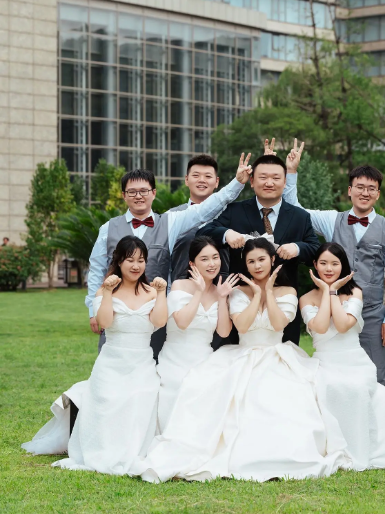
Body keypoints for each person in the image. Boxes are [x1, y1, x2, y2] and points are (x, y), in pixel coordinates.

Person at [135, 238, 349, 482]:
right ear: (245, 265)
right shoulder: (237, 291)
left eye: (262, 259)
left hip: (277, 354)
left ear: (272, 260)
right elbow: (243, 326)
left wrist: (268, 292)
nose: (257, 266)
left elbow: (278, 323)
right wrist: (256, 295)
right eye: (251, 261)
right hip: (244, 353)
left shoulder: (288, 291)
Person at [22, 236, 168, 475]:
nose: (136, 266)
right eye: (130, 260)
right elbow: (105, 323)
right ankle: (105, 450)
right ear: (119, 261)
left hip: (142, 363)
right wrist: (108, 292)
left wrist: (161, 293)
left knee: (141, 398)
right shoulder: (105, 290)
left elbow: (160, 322)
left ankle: (132, 450)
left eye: (141, 260)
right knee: (108, 400)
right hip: (112, 362)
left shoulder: (152, 292)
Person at [87, 153, 252, 357]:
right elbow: (96, 269)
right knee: (113, 359)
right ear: (124, 195)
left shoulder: (170, 222)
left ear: (153, 193)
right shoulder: (108, 228)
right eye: (132, 192)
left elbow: (205, 210)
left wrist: (237, 183)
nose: (139, 196)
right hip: (116, 310)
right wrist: (93, 309)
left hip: (156, 310)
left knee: (154, 363)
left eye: (144, 191)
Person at [284, 142, 385, 387]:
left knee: (375, 377)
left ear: (378, 194)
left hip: (371, 314)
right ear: (350, 190)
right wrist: (291, 172)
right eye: (360, 187)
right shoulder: (332, 220)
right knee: (336, 378)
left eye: (371, 188)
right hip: (333, 309)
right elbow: (296, 211)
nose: (365, 193)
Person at [300, 242, 385, 470]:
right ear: (315, 265)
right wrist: (326, 292)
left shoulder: (355, 292)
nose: (329, 268)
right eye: (323, 263)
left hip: (355, 361)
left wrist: (332, 291)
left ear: (343, 266)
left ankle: (365, 448)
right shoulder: (306, 298)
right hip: (325, 361)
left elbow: (342, 325)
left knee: (363, 390)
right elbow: (320, 327)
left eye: (334, 263)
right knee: (327, 387)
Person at [197, 154, 320, 346]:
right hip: (240, 301)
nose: (269, 183)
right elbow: (203, 232)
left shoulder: (299, 216)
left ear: (285, 182)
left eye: (276, 178)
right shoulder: (235, 211)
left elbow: (315, 249)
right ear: (252, 181)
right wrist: (226, 233)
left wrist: (297, 247)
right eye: (263, 177)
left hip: (282, 302)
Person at [157, 236, 238, 433]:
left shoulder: (220, 290)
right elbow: (183, 322)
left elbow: (223, 331)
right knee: (180, 387)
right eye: (204, 259)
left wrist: (222, 298)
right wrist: (199, 292)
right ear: (192, 263)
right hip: (176, 357)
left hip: (204, 357)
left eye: (215, 257)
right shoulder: (179, 285)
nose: (212, 264)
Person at [169, 155, 220, 283]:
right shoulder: (172, 215)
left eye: (208, 176)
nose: (202, 180)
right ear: (186, 180)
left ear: (217, 182)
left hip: (221, 289)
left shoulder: (228, 214)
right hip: (180, 288)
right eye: (196, 175)